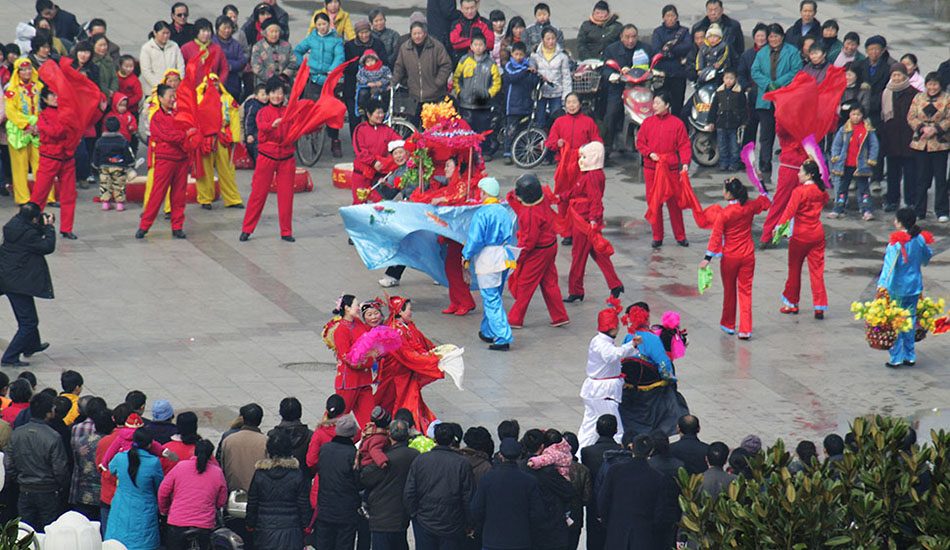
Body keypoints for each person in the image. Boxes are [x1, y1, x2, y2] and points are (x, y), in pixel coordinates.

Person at [700, 178, 771, 338]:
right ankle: (745, 329)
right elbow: (765, 201)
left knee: (729, 291)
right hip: (748, 255)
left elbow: (716, 237)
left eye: (724, 190)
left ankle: (729, 324)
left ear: (730, 194)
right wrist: (761, 182)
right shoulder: (750, 207)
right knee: (745, 291)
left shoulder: (724, 214)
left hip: (730, 256)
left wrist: (707, 258)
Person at [505, 174, 569, 328]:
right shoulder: (543, 199)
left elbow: (528, 241)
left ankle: (515, 318)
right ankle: (559, 315)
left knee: (526, 284)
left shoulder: (530, 214)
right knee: (549, 282)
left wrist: (519, 257)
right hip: (550, 245)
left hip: (538, 252)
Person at [562, 141, 623, 302]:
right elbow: (576, 191)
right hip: (583, 217)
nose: (580, 160)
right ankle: (615, 284)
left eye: (584, 157)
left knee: (579, 254)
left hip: (585, 219)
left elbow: (596, 200)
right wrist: (561, 197)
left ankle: (576, 290)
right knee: (597, 252)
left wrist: (593, 220)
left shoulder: (593, 176)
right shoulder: (589, 174)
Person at [375, 296, 445, 434]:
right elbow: (407, 354)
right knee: (404, 401)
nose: (411, 312)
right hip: (398, 375)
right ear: (400, 312)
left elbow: (421, 342)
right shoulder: (395, 331)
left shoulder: (407, 325)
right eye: (409, 310)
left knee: (410, 400)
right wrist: (431, 358)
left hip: (406, 372)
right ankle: (406, 429)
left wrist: (434, 351)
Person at [239, 77, 297, 242]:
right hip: (267, 156)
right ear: (268, 94)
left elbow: (299, 127)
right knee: (258, 194)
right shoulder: (263, 112)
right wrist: (273, 125)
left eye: (280, 93)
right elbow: (262, 127)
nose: (277, 96)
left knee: (286, 196)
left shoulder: (289, 112)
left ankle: (286, 231)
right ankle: (247, 229)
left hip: (287, 157)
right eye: (273, 93)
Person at [462, 177, 515, 351]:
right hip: (503, 256)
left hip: (488, 259)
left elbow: (475, 239)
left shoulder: (482, 213)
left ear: (484, 192)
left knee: (491, 298)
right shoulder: (504, 210)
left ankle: (502, 336)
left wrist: (466, 255)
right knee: (494, 296)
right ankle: (487, 330)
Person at [577, 301, 639, 449]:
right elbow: (612, 356)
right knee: (615, 428)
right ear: (613, 328)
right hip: (603, 392)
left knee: (589, 427)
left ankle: (578, 454)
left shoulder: (597, 340)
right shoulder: (603, 345)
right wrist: (631, 345)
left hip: (595, 390)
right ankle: (618, 455)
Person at [136, 84, 194, 240]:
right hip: (165, 160)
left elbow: (188, 130)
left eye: (174, 96)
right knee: (157, 193)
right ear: (160, 98)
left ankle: (177, 226)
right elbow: (165, 135)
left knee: (179, 195)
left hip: (181, 159)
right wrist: (183, 136)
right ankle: (144, 226)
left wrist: (185, 135)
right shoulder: (157, 117)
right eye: (169, 96)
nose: (172, 99)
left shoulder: (179, 114)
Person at [0, 202, 55, 367]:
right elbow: (47, 246)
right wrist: (49, 228)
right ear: (33, 218)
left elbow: (28, 233)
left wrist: (39, 226)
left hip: (11, 278)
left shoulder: (12, 225)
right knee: (28, 322)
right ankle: (10, 357)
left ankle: (31, 345)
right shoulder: (29, 234)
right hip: (18, 282)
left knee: (28, 316)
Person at [404, 423, 475, 549]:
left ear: (434, 439)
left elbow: (409, 492)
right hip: (452, 524)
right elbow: (467, 497)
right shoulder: (462, 463)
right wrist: (469, 524)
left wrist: (415, 515)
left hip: (425, 522)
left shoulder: (420, 460)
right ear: (453, 440)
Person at [636, 90, 692, 248]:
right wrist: (649, 153)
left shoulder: (677, 123)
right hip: (652, 168)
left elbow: (684, 145)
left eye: (658, 103)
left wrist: (685, 162)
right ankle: (657, 236)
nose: (655, 106)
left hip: (670, 168)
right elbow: (640, 143)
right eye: (654, 103)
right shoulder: (647, 123)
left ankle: (680, 236)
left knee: (674, 203)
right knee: (654, 203)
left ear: (667, 105)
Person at [4, 392, 68, 531]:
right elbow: (60, 469)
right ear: (48, 413)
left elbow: (9, 463)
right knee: (48, 530)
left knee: (26, 532)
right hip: (48, 491)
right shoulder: (53, 437)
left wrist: (18, 479)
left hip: (25, 490)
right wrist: (60, 485)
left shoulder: (17, 434)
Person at [878, 207, 933, 367]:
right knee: (910, 319)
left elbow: (888, 267)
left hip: (897, 287)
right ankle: (910, 355)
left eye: (896, 219)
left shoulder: (896, 243)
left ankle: (896, 357)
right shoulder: (919, 239)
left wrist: (882, 285)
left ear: (901, 223)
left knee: (895, 320)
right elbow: (926, 256)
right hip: (914, 285)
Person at [598, 434, 671, 549]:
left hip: (617, 532)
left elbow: (603, 501)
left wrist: (609, 523)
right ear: (651, 451)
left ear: (632, 447)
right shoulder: (658, 477)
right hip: (644, 536)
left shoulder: (615, 471)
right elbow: (660, 512)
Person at [776, 159, 829, 318]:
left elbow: (789, 212)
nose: (798, 174)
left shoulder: (799, 192)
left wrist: (778, 228)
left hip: (800, 235)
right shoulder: (821, 191)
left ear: (808, 175)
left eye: (801, 172)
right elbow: (824, 201)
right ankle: (819, 306)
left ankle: (792, 303)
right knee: (817, 271)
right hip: (817, 233)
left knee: (794, 269)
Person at [471, 437, 544, 550]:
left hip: (492, 539)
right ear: (519, 456)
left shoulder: (487, 479)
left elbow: (476, 509)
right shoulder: (529, 480)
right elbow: (537, 513)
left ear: (500, 455)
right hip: (520, 540)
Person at [751, 23, 802, 178]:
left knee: (786, 133)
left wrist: (779, 83)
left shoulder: (792, 52)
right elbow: (755, 71)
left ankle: (790, 164)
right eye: (771, 36)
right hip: (766, 99)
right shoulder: (762, 53)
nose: (773, 39)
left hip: (784, 98)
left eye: (776, 36)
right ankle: (764, 164)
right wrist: (767, 84)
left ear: (782, 37)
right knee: (766, 134)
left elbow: (796, 70)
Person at [25, 87, 76, 240]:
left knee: (69, 195)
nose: (55, 98)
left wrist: (43, 129)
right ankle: (30, 225)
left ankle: (67, 228)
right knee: (39, 195)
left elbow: (64, 131)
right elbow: (59, 132)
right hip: (50, 158)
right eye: (51, 95)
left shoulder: (66, 113)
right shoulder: (44, 115)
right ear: (45, 99)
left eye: (56, 95)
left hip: (66, 158)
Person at [361, 419, 420, 550]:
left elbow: (365, 478)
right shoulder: (415, 456)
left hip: (381, 517)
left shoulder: (385, 459)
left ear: (389, 434)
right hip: (402, 515)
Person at [247, 431, 312, 550]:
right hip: (291, 531)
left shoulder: (260, 474)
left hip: (264, 529)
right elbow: (303, 504)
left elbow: (252, 501)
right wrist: (306, 526)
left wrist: (250, 523)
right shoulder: (297, 475)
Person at [158, 440, 227, 550]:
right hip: (204, 525)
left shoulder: (180, 467)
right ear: (210, 455)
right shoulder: (217, 473)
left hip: (177, 522)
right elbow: (221, 501)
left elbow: (163, 492)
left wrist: (164, 510)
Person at [105, 428, 164, 550]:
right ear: (149, 444)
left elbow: (111, 469)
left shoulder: (120, 458)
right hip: (144, 511)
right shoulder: (153, 463)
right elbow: (160, 487)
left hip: (121, 508)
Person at [296, 12, 346, 155]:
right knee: (309, 111)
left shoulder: (336, 38)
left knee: (331, 112)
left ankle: (335, 140)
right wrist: (303, 66)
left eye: (324, 24)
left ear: (328, 24)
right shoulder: (312, 37)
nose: (322, 27)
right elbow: (298, 50)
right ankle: (311, 139)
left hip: (329, 80)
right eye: (319, 24)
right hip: (313, 78)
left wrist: (332, 69)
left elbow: (339, 56)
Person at [195, 75, 244, 210]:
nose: (213, 87)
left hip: (223, 136)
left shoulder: (228, 99)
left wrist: (235, 138)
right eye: (210, 84)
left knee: (227, 169)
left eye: (216, 85)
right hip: (205, 139)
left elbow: (234, 117)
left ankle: (232, 199)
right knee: (205, 170)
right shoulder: (198, 99)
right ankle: (205, 199)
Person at [325, 295, 376, 427]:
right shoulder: (341, 330)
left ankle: (370, 443)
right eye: (356, 305)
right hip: (349, 382)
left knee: (370, 421)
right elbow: (347, 357)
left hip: (364, 381)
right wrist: (368, 361)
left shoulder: (358, 323)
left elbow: (371, 337)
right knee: (336, 418)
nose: (359, 308)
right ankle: (324, 441)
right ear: (347, 308)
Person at [602, 25, 651, 155]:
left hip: (641, 88)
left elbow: (654, 65)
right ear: (621, 37)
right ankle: (607, 147)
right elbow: (606, 68)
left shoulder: (645, 49)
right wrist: (612, 75)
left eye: (633, 37)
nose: (631, 40)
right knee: (611, 113)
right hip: (619, 88)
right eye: (627, 37)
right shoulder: (612, 50)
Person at [907, 72, 950, 222]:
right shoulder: (919, 98)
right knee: (921, 178)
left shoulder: (947, 98)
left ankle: (942, 210)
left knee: (940, 178)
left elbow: (948, 118)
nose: (932, 87)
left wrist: (936, 129)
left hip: (940, 144)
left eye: (935, 84)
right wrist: (922, 129)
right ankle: (920, 210)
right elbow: (911, 116)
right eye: (929, 84)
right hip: (921, 143)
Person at [454, 33, 501, 159]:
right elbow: (456, 78)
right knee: (467, 129)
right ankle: (467, 152)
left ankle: (484, 152)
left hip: (483, 105)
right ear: (471, 46)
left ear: (485, 46)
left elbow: (496, 82)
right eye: (476, 45)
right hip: (466, 103)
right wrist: (460, 92)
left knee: (483, 129)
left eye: (481, 45)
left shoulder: (490, 63)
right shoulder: (465, 60)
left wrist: (488, 94)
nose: (478, 47)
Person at [829, 104, 879, 220]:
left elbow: (874, 145)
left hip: (861, 165)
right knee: (842, 188)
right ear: (849, 115)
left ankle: (866, 209)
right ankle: (838, 208)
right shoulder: (844, 129)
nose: (856, 117)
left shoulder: (868, 129)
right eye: (853, 114)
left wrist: (871, 159)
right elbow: (837, 144)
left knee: (863, 189)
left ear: (862, 115)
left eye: (858, 114)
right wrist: (836, 156)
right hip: (845, 164)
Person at [392, 21, 453, 112]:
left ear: (425, 34)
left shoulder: (436, 46)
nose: (417, 36)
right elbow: (399, 68)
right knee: (414, 123)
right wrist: (393, 83)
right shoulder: (405, 48)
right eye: (414, 34)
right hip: (414, 95)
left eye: (419, 33)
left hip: (434, 94)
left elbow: (446, 65)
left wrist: (438, 82)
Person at [5, 59, 41, 206]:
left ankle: (45, 196)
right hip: (20, 131)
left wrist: (40, 124)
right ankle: (23, 198)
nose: (27, 72)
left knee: (41, 165)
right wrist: (26, 125)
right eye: (23, 70)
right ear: (17, 72)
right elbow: (10, 111)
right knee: (20, 166)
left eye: (29, 69)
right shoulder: (12, 90)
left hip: (38, 129)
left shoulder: (40, 86)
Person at [219, 403, 267, 493]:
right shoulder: (266, 441)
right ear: (260, 420)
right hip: (259, 493)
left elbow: (222, 466)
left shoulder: (228, 440)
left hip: (234, 493)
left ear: (242, 419)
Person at [652, 5, 692, 115]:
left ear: (677, 17)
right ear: (663, 18)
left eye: (672, 16)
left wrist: (670, 50)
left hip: (678, 74)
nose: (670, 18)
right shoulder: (658, 32)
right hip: (662, 74)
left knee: (677, 104)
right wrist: (673, 53)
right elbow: (656, 50)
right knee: (660, 103)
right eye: (667, 16)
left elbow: (687, 46)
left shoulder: (684, 32)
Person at [530, 27, 571, 130]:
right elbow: (532, 73)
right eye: (548, 39)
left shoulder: (562, 57)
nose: (551, 41)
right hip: (541, 93)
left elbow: (566, 77)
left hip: (556, 93)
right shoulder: (535, 56)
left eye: (553, 38)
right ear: (542, 39)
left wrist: (566, 96)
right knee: (540, 121)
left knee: (557, 121)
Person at [709, 68, 747, 171]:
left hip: (734, 123)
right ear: (723, 79)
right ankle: (723, 163)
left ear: (735, 79)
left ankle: (734, 164)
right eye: (727, 78)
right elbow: (714, 107)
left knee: (734, 146)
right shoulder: (719, 92)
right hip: (721, 123)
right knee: (722, 146)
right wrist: (711, 121)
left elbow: (743, 108)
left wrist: (744, 122)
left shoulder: (739, 92)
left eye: (731, 78)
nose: (729, 81)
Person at [93, 116, 134, 212]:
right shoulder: (122, 141)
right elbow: (128, 153)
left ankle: (105, 203)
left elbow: (96, 154)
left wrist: (96, 164)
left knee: (105, 184)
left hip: (104, 166)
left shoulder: (100, 141)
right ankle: (120, 204)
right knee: (119, 184)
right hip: (119, 166)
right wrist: (131, 162)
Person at [140, 22, 185, 108]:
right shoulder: (147, 48)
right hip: (153, 92)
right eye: (163, 33)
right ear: (155, 33)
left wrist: (177, 82)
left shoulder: (174, 46)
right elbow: (146, 71)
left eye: (167, 33)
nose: (166, 36)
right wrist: (161, 87)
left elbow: (180, 66)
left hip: (174, 92)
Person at [266, 397, 313, 478]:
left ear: (281, 412)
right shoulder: (310, 435)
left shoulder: (272, 435)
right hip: (303, 480)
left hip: (277, 480)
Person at [250, 18, 298, 87]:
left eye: (276, 31)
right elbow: (256, 68)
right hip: (264, 84)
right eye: (271, 32)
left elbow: (294, 62)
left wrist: (284, 76)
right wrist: (273, 79)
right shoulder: (258, 47)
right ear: (265, 33)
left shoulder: (287, 45)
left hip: (285, 83)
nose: (274, 34)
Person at [181, 19, 228, 83]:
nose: (206, 34)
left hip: (212, 87)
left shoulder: (217, 48)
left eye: (208, 31)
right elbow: (181, 68)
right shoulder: (186, 48)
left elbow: (224, 68)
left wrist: (219, 83)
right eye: (203, 31)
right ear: (197, 32)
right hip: (192, 88)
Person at [213, 15, 247, 100]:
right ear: (217, 29)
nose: (227, 31)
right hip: (216, 82)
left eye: (229, 28)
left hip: (233, 82)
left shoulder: (236, 44)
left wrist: (228, 65)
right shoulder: (212, 43)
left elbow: (242, 61)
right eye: (224, 28)